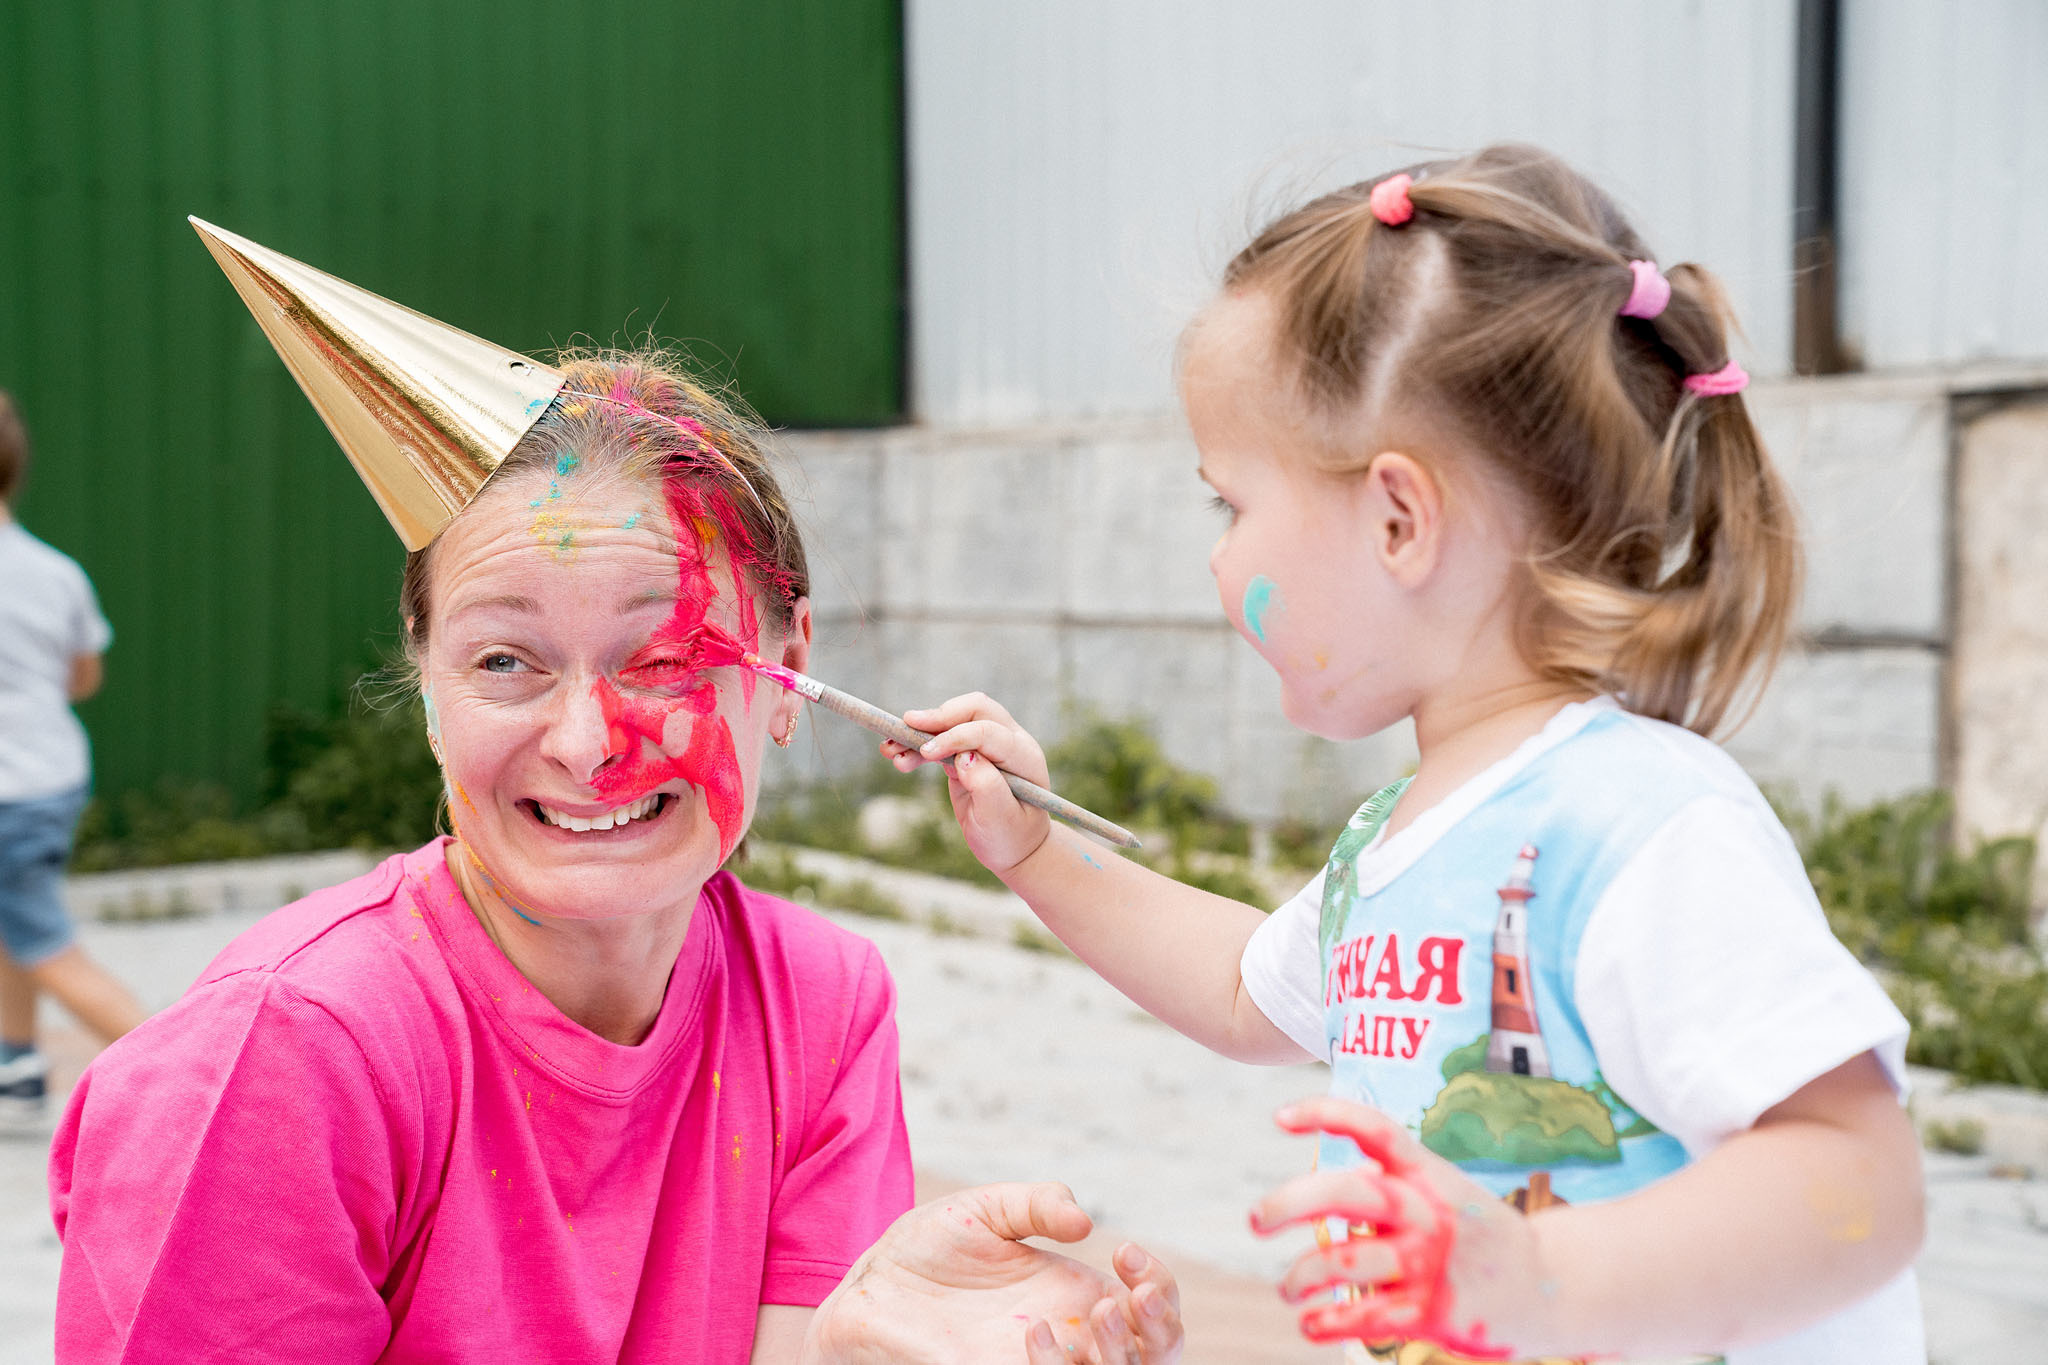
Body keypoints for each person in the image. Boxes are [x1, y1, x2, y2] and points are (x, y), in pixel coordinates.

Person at [889, 146, 1924, 1364]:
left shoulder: (1638, 825)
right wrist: (1036, 851)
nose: (1217, 560)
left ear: (1396, 519)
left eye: (1229, 505)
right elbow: (1241, 989)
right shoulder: (1396, 841)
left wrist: (1540, 1277)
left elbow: (1864, 1179)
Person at [49, 329, 1180, 1362]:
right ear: (429, 687)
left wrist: (857, 1351)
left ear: (789, 676)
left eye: (669, 656)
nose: (589, 746)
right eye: (505, 662)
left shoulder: (820, 1003)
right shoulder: (281, 1059)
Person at [0, 390, 146, 1133]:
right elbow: (83, 676)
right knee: (15, 921)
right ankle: (17, 1066)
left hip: (6, 795)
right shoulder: (52, 570)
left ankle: (186, 1068)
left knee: (47, 944)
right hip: (51, 776)